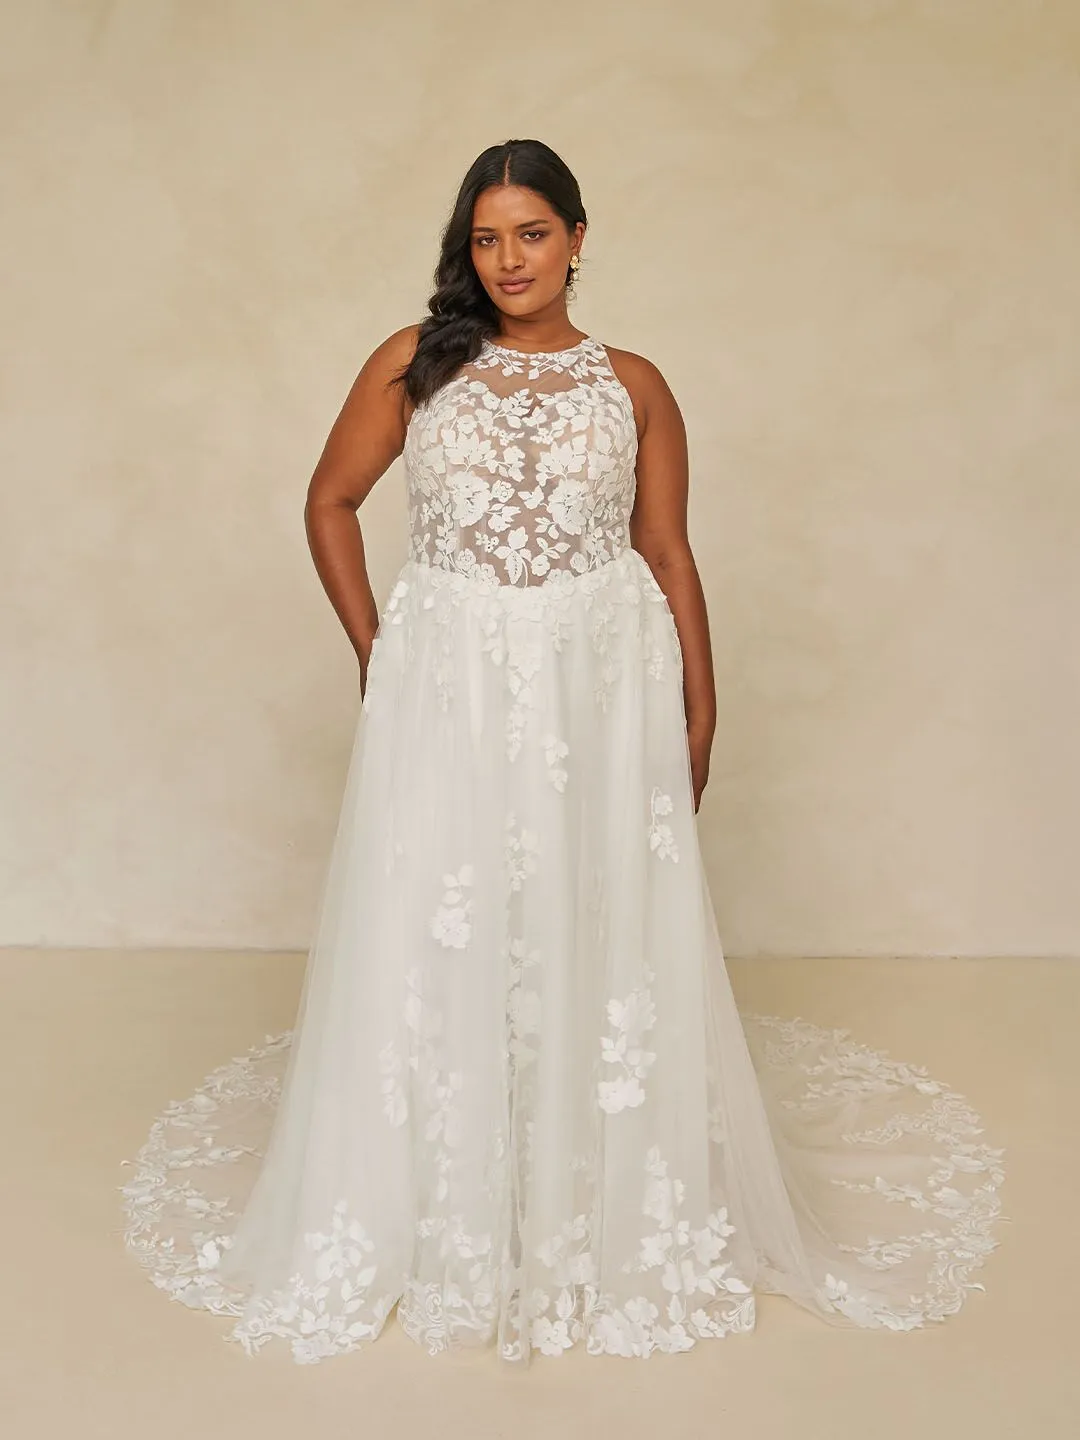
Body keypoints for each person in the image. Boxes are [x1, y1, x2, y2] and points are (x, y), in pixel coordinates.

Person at [119, 139, 1006, 1365]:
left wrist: (702, 699)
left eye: (531, 234)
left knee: (591, 908)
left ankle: (589, 1173)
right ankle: (445, 1186)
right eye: (486, 239)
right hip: (452, 681)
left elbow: (667, 550)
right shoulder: (414, 363)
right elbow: (328, 500)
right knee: (450, 906)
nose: (509, 260)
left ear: (579, 238)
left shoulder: (633, 384)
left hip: (601, 683)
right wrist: (380, 651)